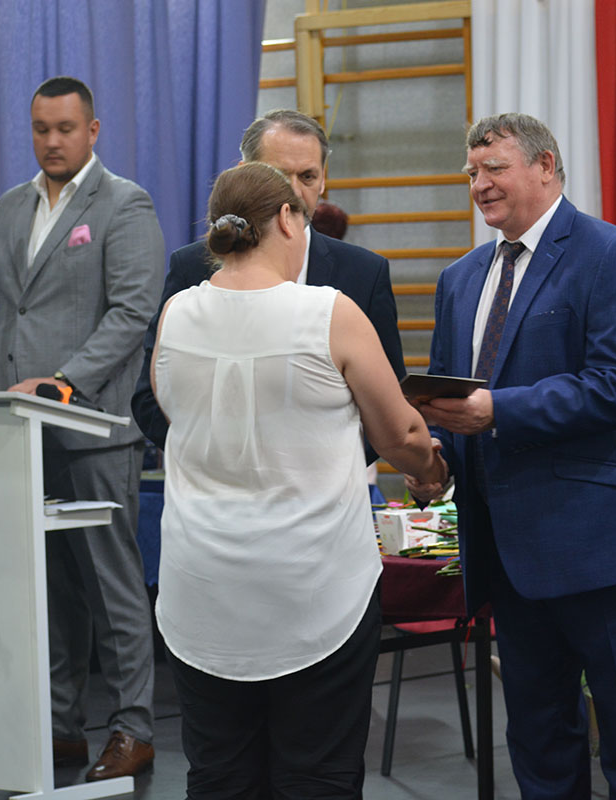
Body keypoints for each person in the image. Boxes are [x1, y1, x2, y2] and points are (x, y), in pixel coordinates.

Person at [407, 113, 616, 799]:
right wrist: (433, 462)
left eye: (494, 168)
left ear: (545, 166)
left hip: (607, 551)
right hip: (510, 558)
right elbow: (456, 397)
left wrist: (498, 411)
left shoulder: (610, 253)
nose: (479, 184)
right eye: (471, 172)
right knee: (539, 747)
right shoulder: (459, 279)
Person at [152, 162, 445, 798]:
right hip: (312, 592)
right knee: (318, 778)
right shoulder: (328, 312)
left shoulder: (176, 313)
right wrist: (432, 471)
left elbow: (171, 409)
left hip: (201, 591)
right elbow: (400, 434)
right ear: (287, 219)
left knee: (219, 777)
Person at [0, 76, 163, 780]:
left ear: (93, 130)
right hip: (19, 428)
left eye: (65, 128)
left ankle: (134, 729)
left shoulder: (124, 204)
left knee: (111, 587)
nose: (52, 141)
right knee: (49, 589)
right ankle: (60, 729)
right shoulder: (13, 207)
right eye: (41, 129)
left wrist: (64, 381)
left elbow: (132, 312)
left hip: (91, 426)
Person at [130, 109, 404, 451]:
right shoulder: (191, 267)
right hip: (213, 479)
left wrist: (326, 465)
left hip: (325, 481)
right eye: (278, 176)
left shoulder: (364, 273)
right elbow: (149, 399)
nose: (294, 192)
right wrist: (221, 459)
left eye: (307, 176)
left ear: (323, 180)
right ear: (244, 174)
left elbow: (389, 407)